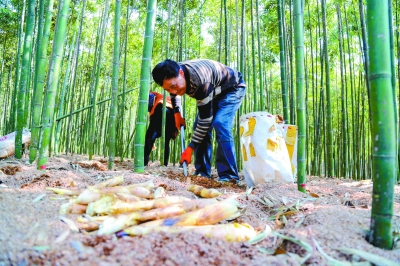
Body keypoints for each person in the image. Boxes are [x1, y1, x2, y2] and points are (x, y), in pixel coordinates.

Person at [152, 59, 246, 183]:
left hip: (232, 88)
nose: (173, 91)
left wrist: (189, 149)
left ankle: (229, 175)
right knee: (198, 127)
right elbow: (174, 94)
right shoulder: (174, 72)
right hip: (213, 91)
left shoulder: (200, 81)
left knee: (220, 123)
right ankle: (203, 172)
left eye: (174, 86)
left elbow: (205, 121)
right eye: (168, 89)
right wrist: (177, 115)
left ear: (181, 72)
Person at [144, 91, 179, 166]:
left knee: (149, 138)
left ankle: (144, 162)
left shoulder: (153, 94)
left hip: (160, 108)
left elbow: (149, 99)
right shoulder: (169, 98)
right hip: (173, 114)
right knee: (167, 141)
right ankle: (165, 164)